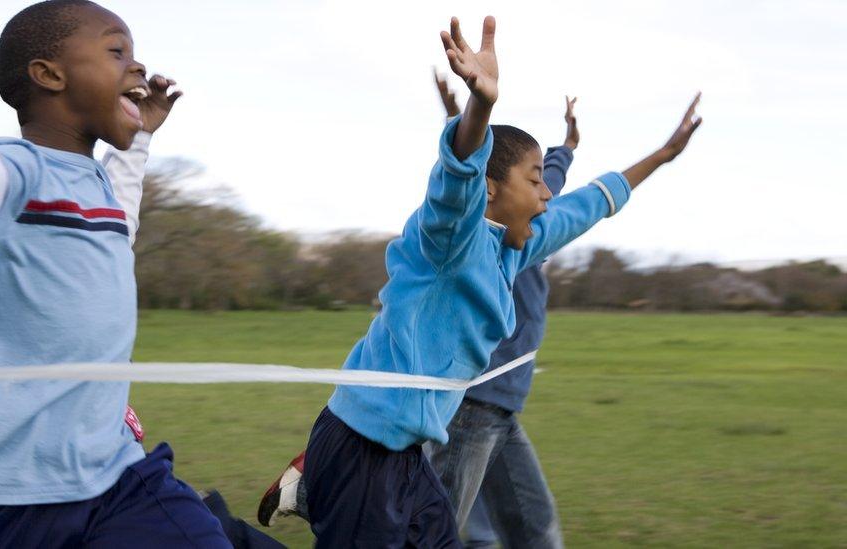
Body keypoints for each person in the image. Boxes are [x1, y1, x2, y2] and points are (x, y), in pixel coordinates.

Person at [259, 15, 702, 548]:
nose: (545, 194)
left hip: (406, 453)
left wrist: (662, 156)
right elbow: (459, 171)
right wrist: (481, 104)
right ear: (491, 191)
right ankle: (212, 525)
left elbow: (588, 206)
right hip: (363, 440)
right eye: (535, 179)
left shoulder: (519, 248)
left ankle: (312, 490)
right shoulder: (450, 237)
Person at [0, 1, 232, 546]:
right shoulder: (11, 173)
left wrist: (139, 138)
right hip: (8, 493)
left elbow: (120, 215)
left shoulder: (98, 191)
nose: (137, 67)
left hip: (116, 475)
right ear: (49, 75)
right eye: (117, 51)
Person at [426, 74, 578, 549]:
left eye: (540, 183)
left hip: (500, 404)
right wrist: (463, 114)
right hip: (474, 398)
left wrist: (569, 144)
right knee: (438, 532)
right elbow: (469, 173)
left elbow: (550, 175)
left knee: (529, 531)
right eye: (532, 182)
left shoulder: (535, 215)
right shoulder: (482, 235)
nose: (544, 195)